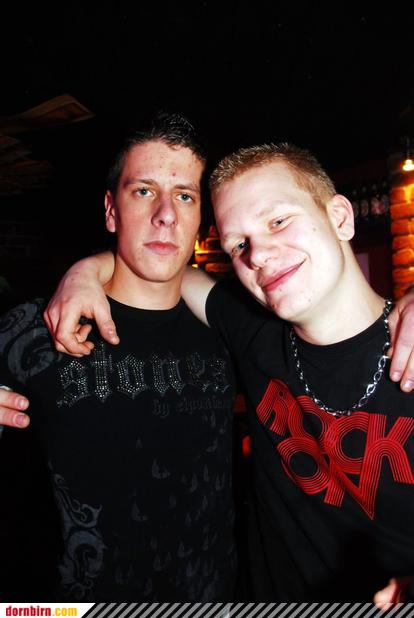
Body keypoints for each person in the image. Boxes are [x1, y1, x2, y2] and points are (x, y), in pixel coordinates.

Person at [35, 141, 414, 604]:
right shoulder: (254, 332)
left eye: (278, 221)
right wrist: (85, 272)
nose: (259, 255)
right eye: (239, 244)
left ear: (340, 218)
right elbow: (168, 271)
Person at [0, 112, 238, 601]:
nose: (166, 214)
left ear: (200, 219)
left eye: (185, 196)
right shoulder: (36, 325)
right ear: (111, 211)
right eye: (144, 191)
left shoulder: (229, 327)